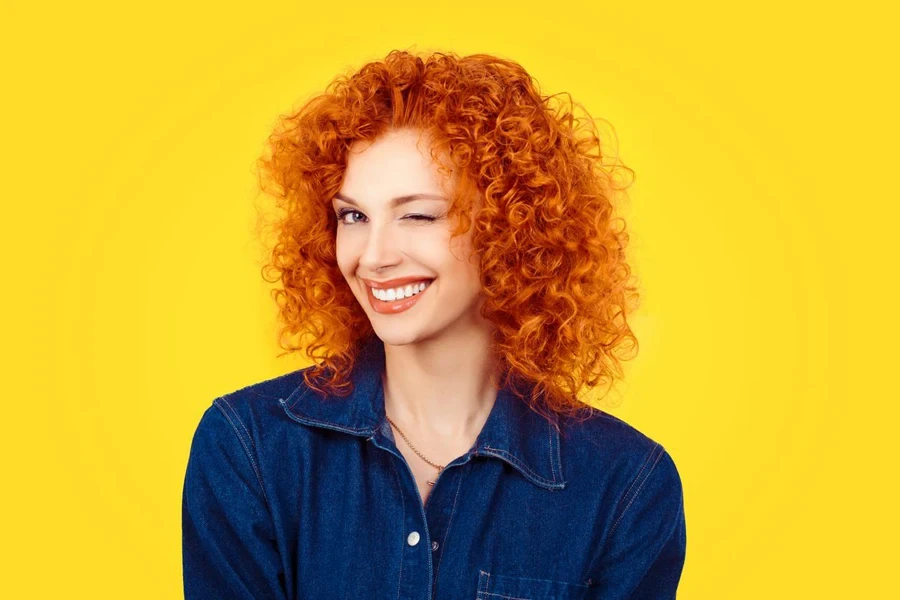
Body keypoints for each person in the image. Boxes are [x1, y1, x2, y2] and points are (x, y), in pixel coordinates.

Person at [182, 49, 686, 599]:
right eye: (354, 216)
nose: (373, 256)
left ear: (508, 230)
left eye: (417, 215)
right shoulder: (249, 446)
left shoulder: (625, 484)